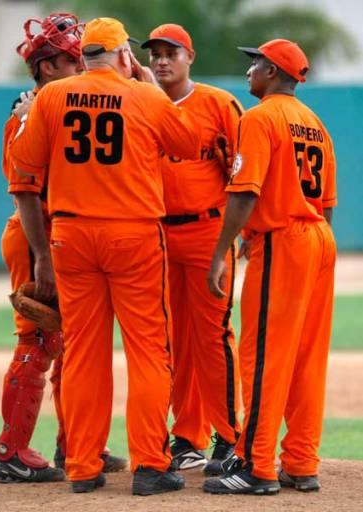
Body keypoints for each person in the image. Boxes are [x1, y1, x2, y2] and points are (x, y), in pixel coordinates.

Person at [9, 17, 202, 495]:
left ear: (86, 55)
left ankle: (81, 465)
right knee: (148, 352)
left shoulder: (51, 97)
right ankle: (151, 466)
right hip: (133, 235)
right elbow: (188, 143)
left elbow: (23, 178)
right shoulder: (144, 94)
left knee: (82, 355)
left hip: (70, 237)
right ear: (122, 56)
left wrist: (39, 255)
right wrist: (151, 83)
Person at [0, 12, 126, 484]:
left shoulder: (58, 104)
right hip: (36, 234)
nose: (82, 68)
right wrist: (42, 258)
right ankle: (11, 452)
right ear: (48, 67)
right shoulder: (30, 112)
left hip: (62, 234)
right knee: (39, 340)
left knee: (75, 347)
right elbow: (25, 190)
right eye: (73, 60)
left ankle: (76, 443)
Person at [204, 39, 337, 495]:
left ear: (275, 72)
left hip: (281, 240)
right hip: (318, 238)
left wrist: (223, 250)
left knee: (263, 356)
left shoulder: (260, 118)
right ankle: (300, 462)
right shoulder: (316, 125)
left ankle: (257, 467)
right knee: (305, 358)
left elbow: (244, 192)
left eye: (256, 62)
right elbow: (328, 205)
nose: (249, 70)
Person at [142, 24, 243, 474]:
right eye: (156, 54)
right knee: (173, 342)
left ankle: (230, 437)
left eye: (171, 53)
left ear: (190, 58)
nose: (162, 61)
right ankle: (187, 436)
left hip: (208, 232)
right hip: (158, 234)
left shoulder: (220, 104)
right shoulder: (141, 103)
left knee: (213, 337)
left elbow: (245, 173)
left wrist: (238, 239)